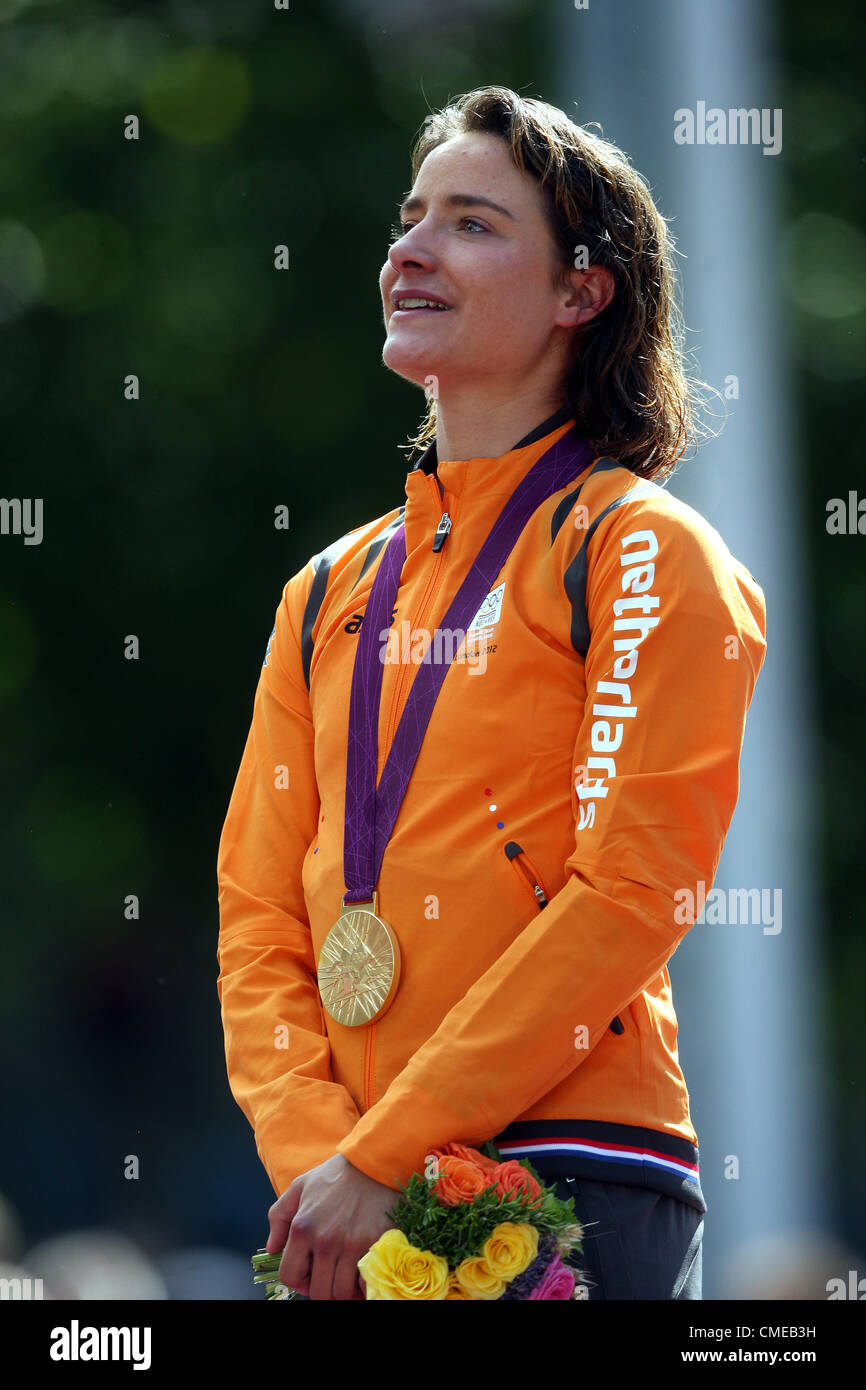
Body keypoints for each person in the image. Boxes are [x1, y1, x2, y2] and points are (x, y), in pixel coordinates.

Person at [216, 85, 767, 1301]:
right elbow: (258, 920)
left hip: (569, 1163)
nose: (407, 249)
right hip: (343, 1203)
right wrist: (325, 1164)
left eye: (470, 222)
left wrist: (385, 1152)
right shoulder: (325, 588)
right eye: (409, 218)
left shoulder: (640, 550)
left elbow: (633, 885)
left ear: (581, 291)